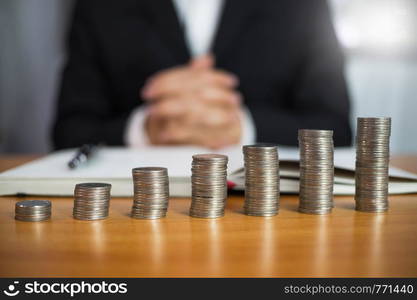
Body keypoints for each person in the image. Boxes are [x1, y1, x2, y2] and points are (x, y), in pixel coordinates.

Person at [53, 0, 352, 149]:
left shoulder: (304, 6)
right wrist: (145, 128)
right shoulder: (98, 6)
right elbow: (69, 131)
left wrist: (239, 127)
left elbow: (336, 128)